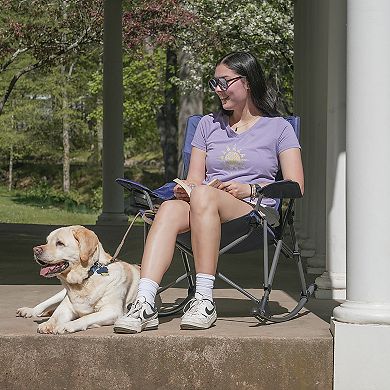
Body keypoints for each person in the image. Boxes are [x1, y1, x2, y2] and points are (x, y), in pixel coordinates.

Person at [113, 51, 304, 334]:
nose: (217, 89)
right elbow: (195, 180)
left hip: (252, 214)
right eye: (214, 82)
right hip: (204, 209)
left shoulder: (279, 128)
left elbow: (295, 185)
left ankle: (203, 299)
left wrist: (248, 188)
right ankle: (145, 301)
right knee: (169, 208)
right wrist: (184, 190)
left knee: (203, 195)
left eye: (223, 82)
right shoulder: (206, 124)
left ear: (247, 81)